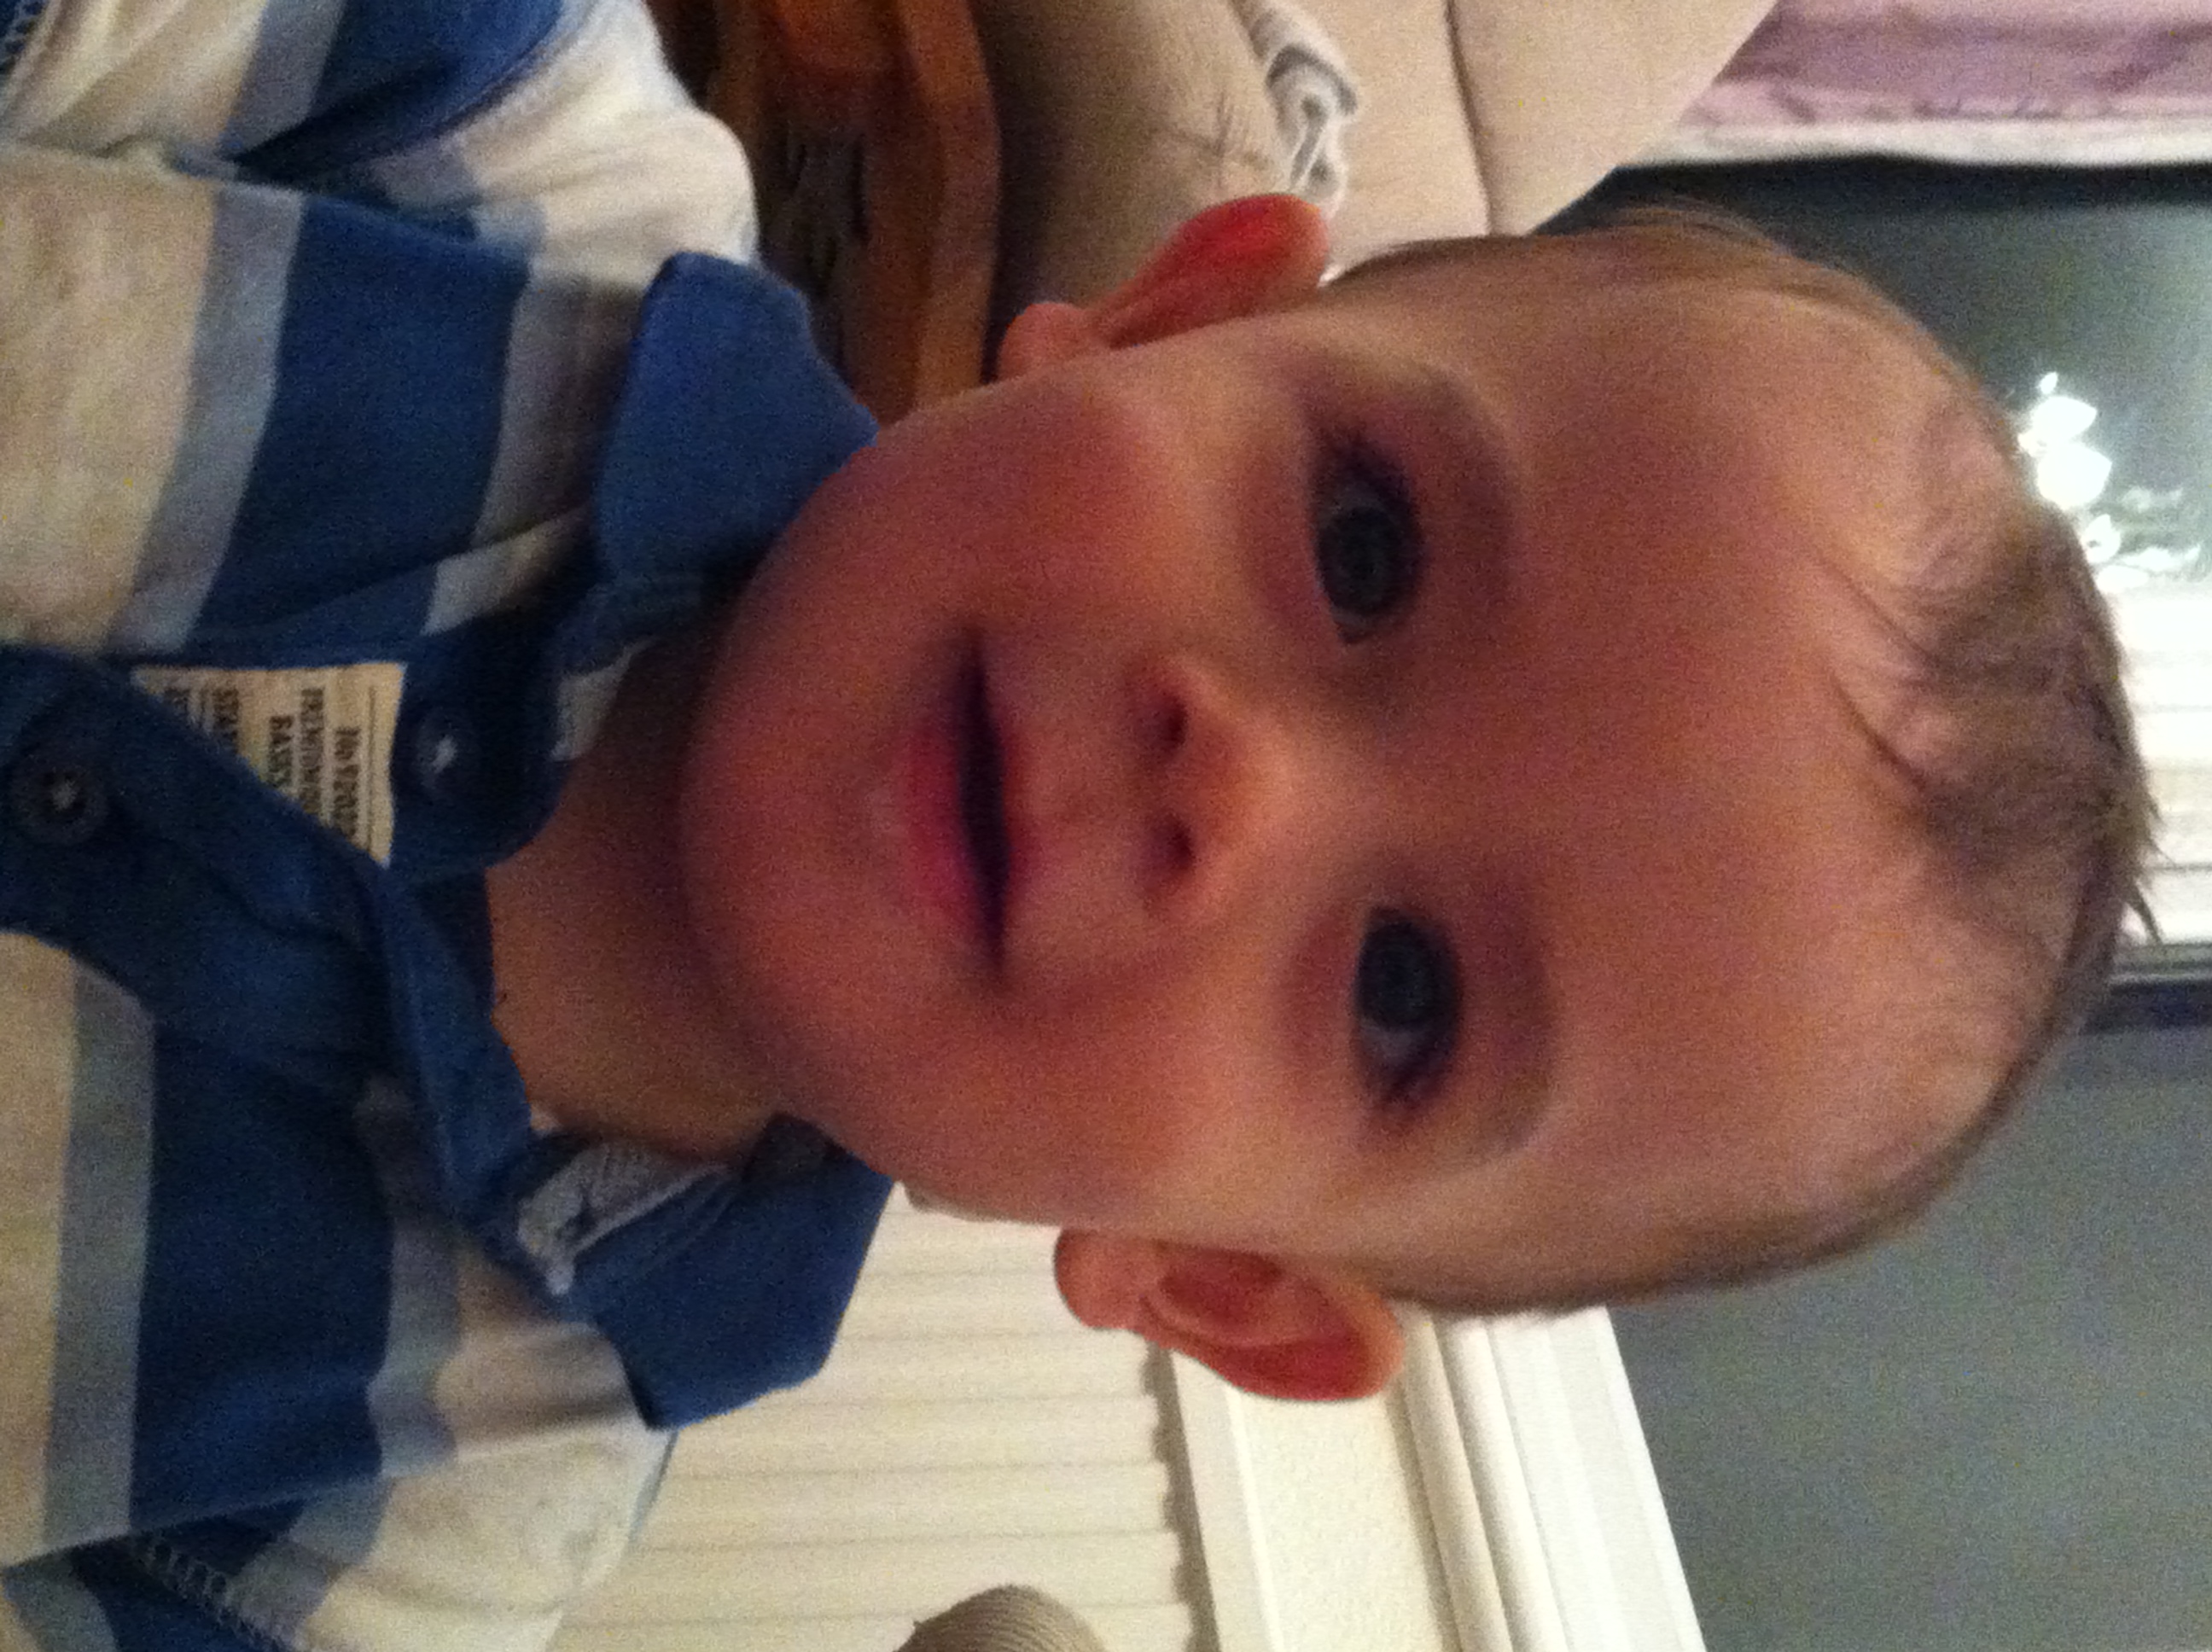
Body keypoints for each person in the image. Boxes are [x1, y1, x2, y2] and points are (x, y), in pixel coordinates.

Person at [0, 0, 2151, 1643]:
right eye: (1366, 547)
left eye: (1405, 992)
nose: (1241, 782)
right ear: (1171, 314)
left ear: (1226, 1275)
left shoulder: (442, 1513)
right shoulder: (508, 156)